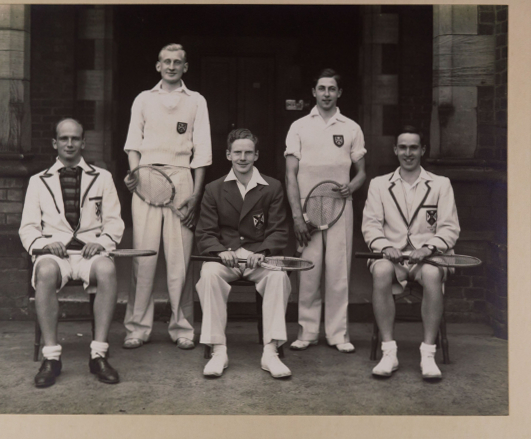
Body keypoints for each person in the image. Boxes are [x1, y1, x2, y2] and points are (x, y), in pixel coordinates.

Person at [19, 118, 125, 387]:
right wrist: (44, 244)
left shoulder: (102, 177)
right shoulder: (38, 181)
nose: (69, 143)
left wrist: (102, 242)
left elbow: (114, 221)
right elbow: (28, 228)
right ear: (55, 143)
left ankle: (98, 353)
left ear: (83, 142)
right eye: (64, 138)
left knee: (107, 269)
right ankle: (52, 357)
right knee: (44, 270)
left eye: (75, 138)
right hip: (56, 253)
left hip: (90, 253)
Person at [122, 43, 212, 350]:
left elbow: (201, 153)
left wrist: (195, 197)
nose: (171, 66)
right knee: (142, 259)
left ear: (185, 67)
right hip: (146, 181)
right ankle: (136, 327)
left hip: (182, 180)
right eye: (166, 62)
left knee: (181, 261)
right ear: (158, 66)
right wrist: (136, 176)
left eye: (177, 62)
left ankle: (182, 328)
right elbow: (133, 143)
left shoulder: (197, 101)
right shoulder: (144, 100)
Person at [361, 126, 460, 380]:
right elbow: (370, 225)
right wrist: (385, 247)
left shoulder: (441, 184)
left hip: (428, 257)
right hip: (391, 258)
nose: (408, 153)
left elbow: (450, 227)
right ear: (395, 150)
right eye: (403, 147)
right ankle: (389, 352)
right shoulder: (379, 184)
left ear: (422, 150)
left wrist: (428, 248)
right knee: (381, 269)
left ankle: (428, 354)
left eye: (413, 147)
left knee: (431, 273)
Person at [195, 129, 292, 378]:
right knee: (208, 274)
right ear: (228, 154)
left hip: (258, 257)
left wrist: (262, 251)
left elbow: (279, 230)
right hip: (226, 257)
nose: (242, 157)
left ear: (256, 155)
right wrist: (219, 251)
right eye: (237, 152)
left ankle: (271, 352)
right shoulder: (214, 189)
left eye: (248, 152)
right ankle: (218, 350)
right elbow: (205, 232)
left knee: (278, 276)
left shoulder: (272, 187)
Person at [284, 69, 366, 353]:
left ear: (339, 93)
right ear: (314, 92)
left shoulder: (351, 127)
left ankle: (338, 334)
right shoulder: (299, 126)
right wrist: (297, 217)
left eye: (332, 89)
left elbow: (361, 173)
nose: (327, 94)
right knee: (308, 271)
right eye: (322, 88)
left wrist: (351, 188)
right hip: (308, 210)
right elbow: (290, 175)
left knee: (338, 272)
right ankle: (306, 333)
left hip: (340, 208)